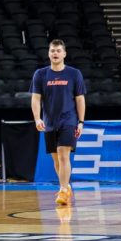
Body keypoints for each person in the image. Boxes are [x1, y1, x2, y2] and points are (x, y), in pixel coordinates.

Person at [29, 39, 86, 207]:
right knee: (56, 159)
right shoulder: (40, 74)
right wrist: (37, 118)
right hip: (49, 122)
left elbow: (80, 99)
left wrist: (81, 122)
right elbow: (35, 99)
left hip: (69, 120)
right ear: (48, 53)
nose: (55, 53)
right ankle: (66, 186)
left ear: (64, 54)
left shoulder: (74, 74)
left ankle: (62, 190)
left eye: (58, 50)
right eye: (52, 50)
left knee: (63, 154)